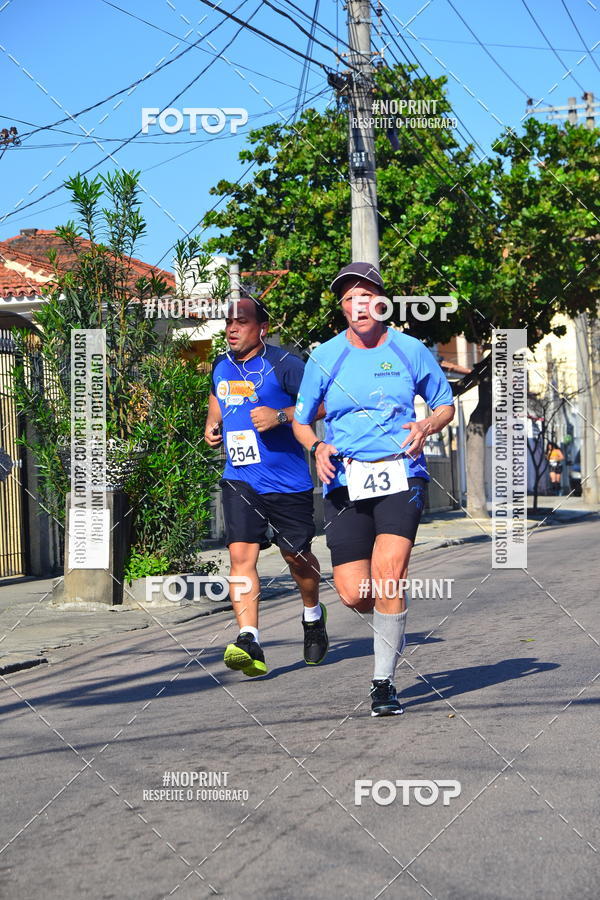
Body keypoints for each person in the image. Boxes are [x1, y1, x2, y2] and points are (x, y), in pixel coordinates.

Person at [293, 262, 455, 717]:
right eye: (348, 299)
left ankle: (383, 682)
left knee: (390, 571)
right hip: (345, 479)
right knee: (353, 592)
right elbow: (302, 422)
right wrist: (318, 447)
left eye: (365, 296)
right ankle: (389, 615)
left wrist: (426, 424)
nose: (357, 305)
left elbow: (445, 405)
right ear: (342, 308)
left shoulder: (410, 350)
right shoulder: (324, 357)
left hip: (402, 474)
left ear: (381, 302)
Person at [204, 295, 328, 677]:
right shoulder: (221, 366)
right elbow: (216, 400)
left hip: (287, 482)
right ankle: (249, 638)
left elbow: (321, 403)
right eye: (228, 323)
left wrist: (280, 415)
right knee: (241, 557)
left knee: (296, 558)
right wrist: (212, 427)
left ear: (262, 328)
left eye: (242, 322)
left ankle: (312, 614)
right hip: (240, 478)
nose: (232, 329)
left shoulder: (285, 364)